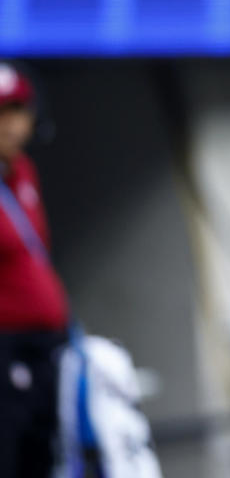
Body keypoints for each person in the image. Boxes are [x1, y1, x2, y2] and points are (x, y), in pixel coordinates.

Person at [0, 63, 70, 477]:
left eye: (17, 111)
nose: (10, 125)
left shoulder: (23, 171)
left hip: (45, 345)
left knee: (45, 456)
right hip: (6, 348)